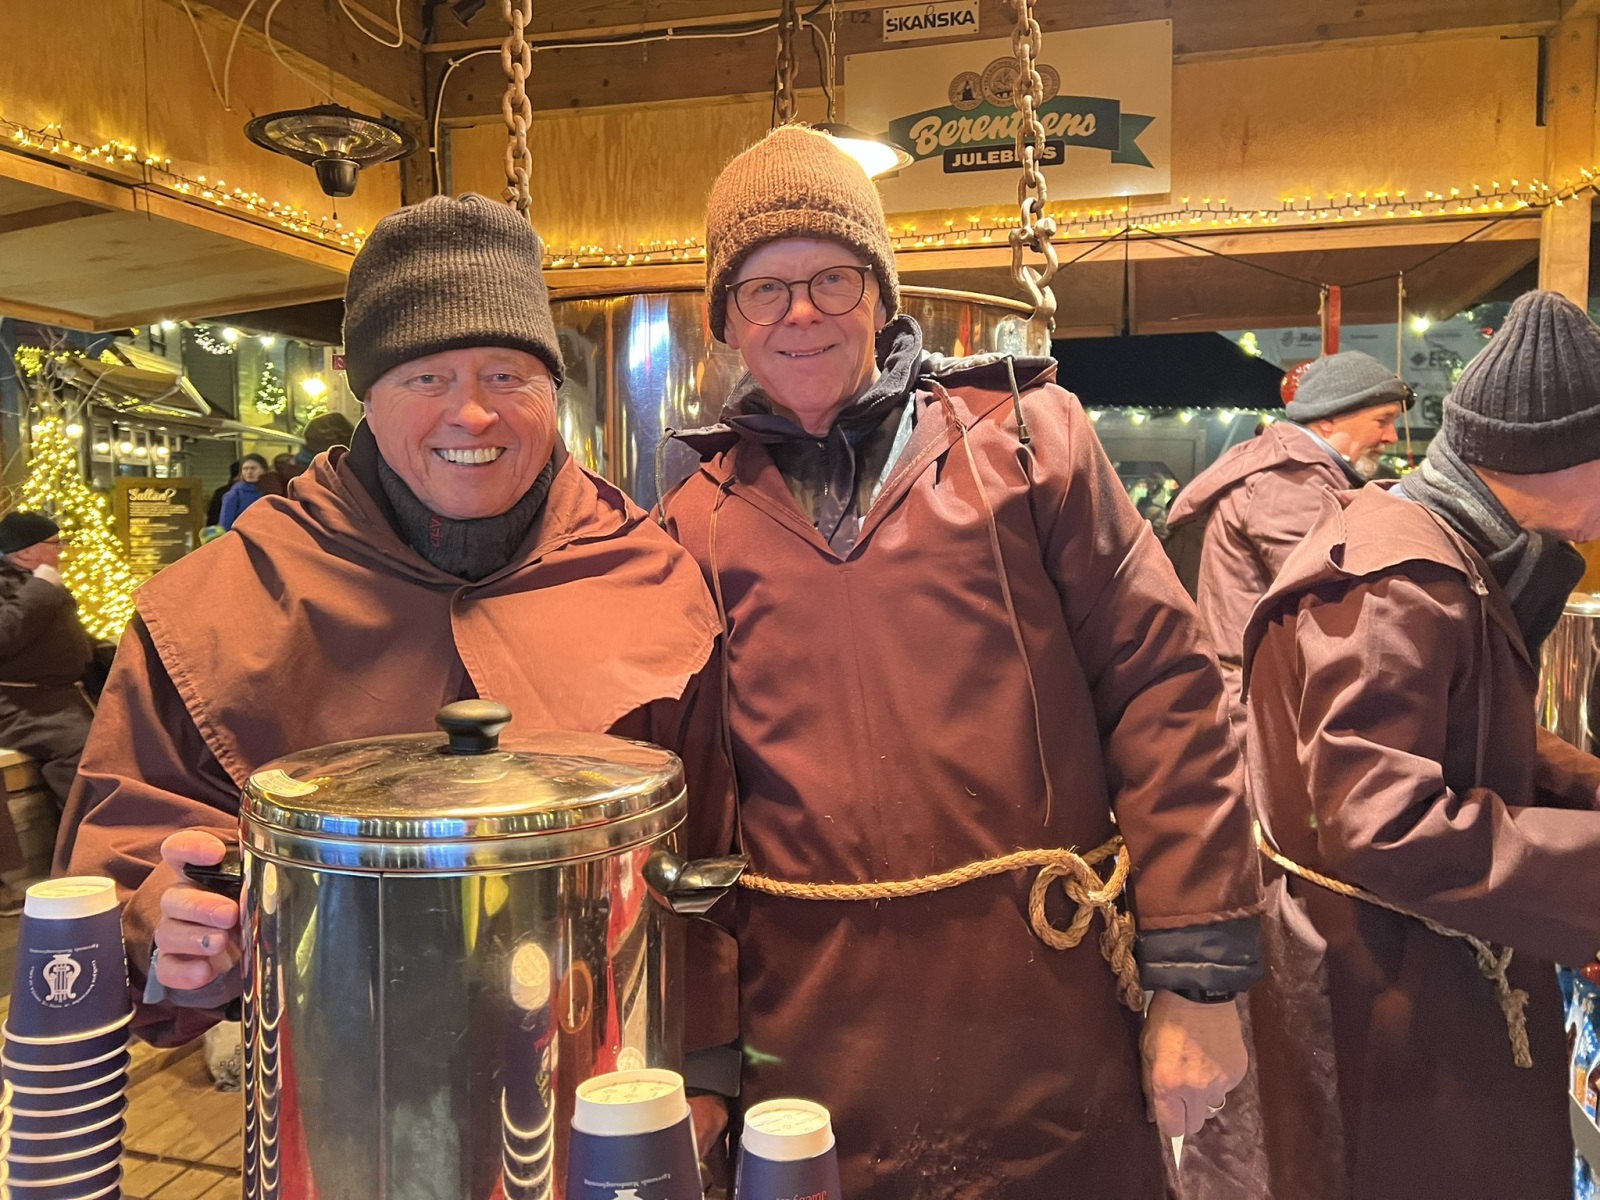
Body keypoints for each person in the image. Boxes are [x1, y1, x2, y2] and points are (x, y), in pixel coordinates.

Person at [658, 126, 1263, 1199]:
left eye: (833, 278)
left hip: (1047, 1021)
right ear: (727, 321)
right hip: (808, 1059)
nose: (800, 314)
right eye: (763, 289)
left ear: (881, 294)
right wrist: (703, 1057)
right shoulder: (696, 521)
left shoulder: (1031, 443)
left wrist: (1197, 979)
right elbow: (694, 817)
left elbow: (1163, 688)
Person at [60, 193, 735, 1108]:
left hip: (607, 1085)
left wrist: (707, 1082)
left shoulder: (646, 573)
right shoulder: (218, 607)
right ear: (367, 397)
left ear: (552, 392)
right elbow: (114, 890)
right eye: (425, 378)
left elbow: (708, 867)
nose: (472, 413)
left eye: (507, 374)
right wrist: (157, 927)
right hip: (341, 1102)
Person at [1242, 289, 1600, 1200]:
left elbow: (1459, 727)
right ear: (1555, 456)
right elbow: (1384, 823)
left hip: (1414, 970)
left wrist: (1586, 786)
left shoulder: (1445, 545)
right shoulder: (1399, 578)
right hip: (1383, 991)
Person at [1167, 352, 1408, 748]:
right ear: (1329, 419)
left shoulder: (1294, 470)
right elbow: (1331, 604)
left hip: (1257, 695)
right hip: (1261, 706)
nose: (1391, 437)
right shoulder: (1290, 480)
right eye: (1382, 421)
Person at [0, 512, 96, 914]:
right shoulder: (21, 584)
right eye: (54, 544)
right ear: (25, 552)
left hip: (60, 697)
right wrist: (41, 588)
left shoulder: (35, 580)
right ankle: (80, 859)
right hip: (19, 704)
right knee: (82, 751)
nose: (61, 551)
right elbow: (5, 634)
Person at [217, 454, 269, 529]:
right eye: (245, 469)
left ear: (264, 470)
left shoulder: (271, 491)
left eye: (253, 468)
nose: (249, 472)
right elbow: (225, 525)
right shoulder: (234, 494)